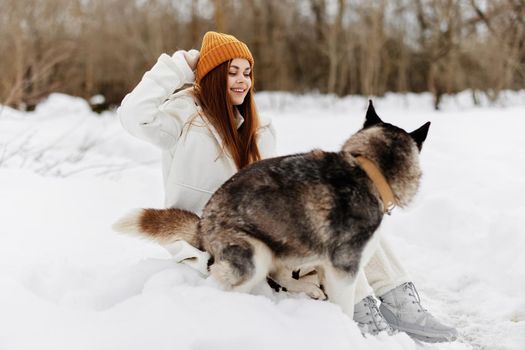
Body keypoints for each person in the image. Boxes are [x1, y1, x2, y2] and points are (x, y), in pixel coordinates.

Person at [117, 31, 458, 343]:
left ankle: (397, 294)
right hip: (222, 239)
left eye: (246, 72)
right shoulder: (183, 118)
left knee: (356, 214)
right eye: (231, 71)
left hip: (260, 222)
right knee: (342, 238)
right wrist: (179, 66)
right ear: (211, 75)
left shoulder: (259, 126)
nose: (241, 81)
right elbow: (133, 115)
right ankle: (362, 307)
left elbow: (272, 187)